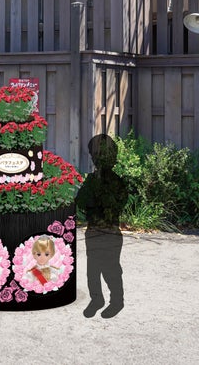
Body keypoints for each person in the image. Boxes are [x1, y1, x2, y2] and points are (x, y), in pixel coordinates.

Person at [76, 134, 128, 318]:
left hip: (109, 233)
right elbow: (81, 201)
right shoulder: (94, 180)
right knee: (93, 270)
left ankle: (117, 301)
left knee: (110, 268)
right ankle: (97, 299)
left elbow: (117, 203)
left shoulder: (115, 182)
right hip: (94, 232)